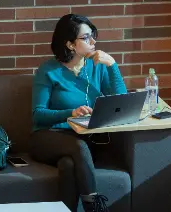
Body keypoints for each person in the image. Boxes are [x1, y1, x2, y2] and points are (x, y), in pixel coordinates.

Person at [29, 14, 127, 212]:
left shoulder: (97, 66)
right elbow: (38, 115)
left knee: (68, 165)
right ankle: (95, 207)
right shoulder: (48, 70)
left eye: (93, 36)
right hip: (47, 138)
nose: (93, 42)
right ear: (70, 44)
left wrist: (112, 65)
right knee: (79, 148)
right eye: (85, 38)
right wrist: (70, 112)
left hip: (81, 138)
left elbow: (121, 102)